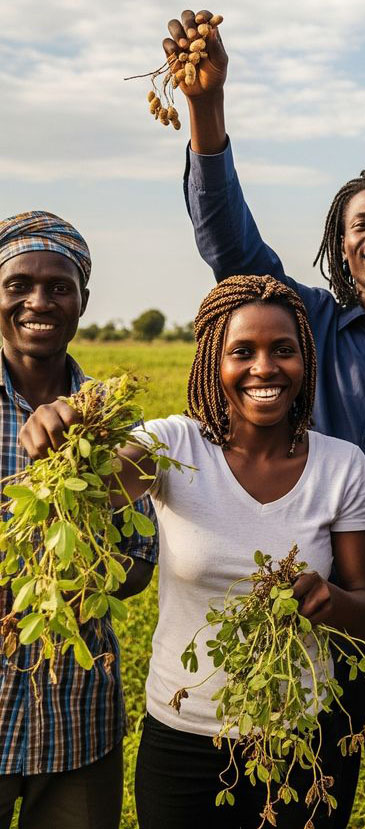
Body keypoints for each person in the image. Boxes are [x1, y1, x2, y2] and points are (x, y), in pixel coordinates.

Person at [164, 12, 365, 825]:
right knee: (317, 812)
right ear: (342, 250)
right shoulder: (304, 322)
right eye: (363, 224)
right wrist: (208, 111)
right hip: (311, 642)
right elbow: (228, 240)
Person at [21, 275, 365, 829]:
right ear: (214, 361)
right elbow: (96, 480)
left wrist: (326, 599)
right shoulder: (173, 446)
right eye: (243, 352)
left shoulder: (342, 465)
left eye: (283, 350)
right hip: (183, 741)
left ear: (305, 360)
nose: (265, 368)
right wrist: (62, 437)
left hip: (304, 743)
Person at [0, 211, 158, 829]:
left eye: (59, 286)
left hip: (76, 721)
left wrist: (83, 557)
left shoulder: (110, 422)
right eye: (19, 285)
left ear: (82, 301)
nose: (39, 301)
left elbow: (137, 571)